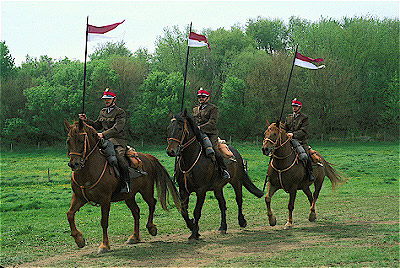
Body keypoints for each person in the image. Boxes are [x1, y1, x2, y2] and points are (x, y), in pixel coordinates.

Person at [79, 88, 131, 193]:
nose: (106, 101)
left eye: (109, 99)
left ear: (114, 99)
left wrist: (103, 134)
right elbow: (97, 125)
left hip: (117, 140)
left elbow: (117, 128)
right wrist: (86, 120)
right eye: (105, 99)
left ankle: (126, 183)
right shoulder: (102, 111)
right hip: (103, 140)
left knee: (120, 158)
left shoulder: (120, 112)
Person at [192, 88, 230, 179]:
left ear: (207, 98)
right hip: (197, 133)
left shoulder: (213, 108)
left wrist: (201, 128)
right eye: (199, 97)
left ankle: (223, 170)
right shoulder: (195, 109)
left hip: (210, 133)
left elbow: (212, 122)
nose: (201, 98)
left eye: (203, 97)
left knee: (214, 150)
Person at [282, 98, 315, 182]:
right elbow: (285, 128)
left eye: (296, 106)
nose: (294, 108)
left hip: (301, 141)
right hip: (288, 141)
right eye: (293, 106)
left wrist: (293, 135)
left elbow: (304, 131)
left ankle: (310, 173)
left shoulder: (304, 118)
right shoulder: (288, 117)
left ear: (300, 107)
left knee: (305, 156)